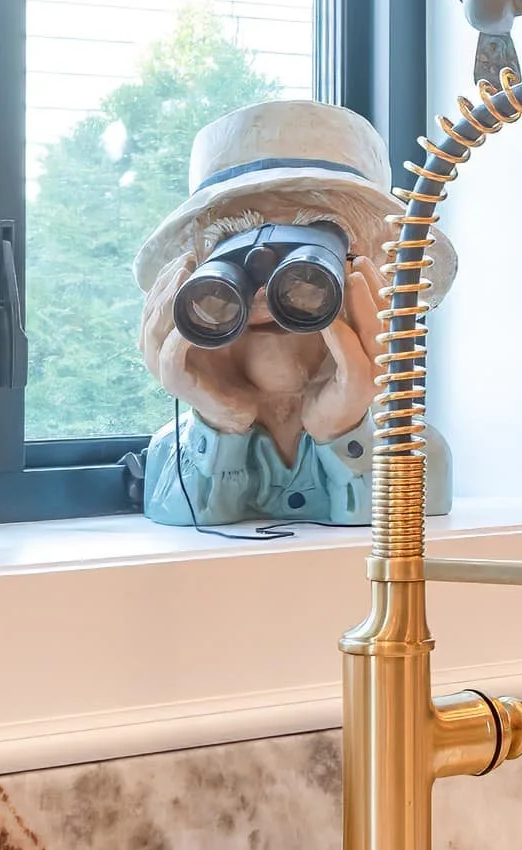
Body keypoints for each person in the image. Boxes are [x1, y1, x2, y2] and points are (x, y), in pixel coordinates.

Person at [132, 98, 452, 529]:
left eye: (316, 254)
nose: (265, 292)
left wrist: (344, 423)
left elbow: (394, 539)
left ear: (376, 272)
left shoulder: (412, 452)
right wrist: (220, 416)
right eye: (231, 252)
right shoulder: (172, 455)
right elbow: (190, 521)